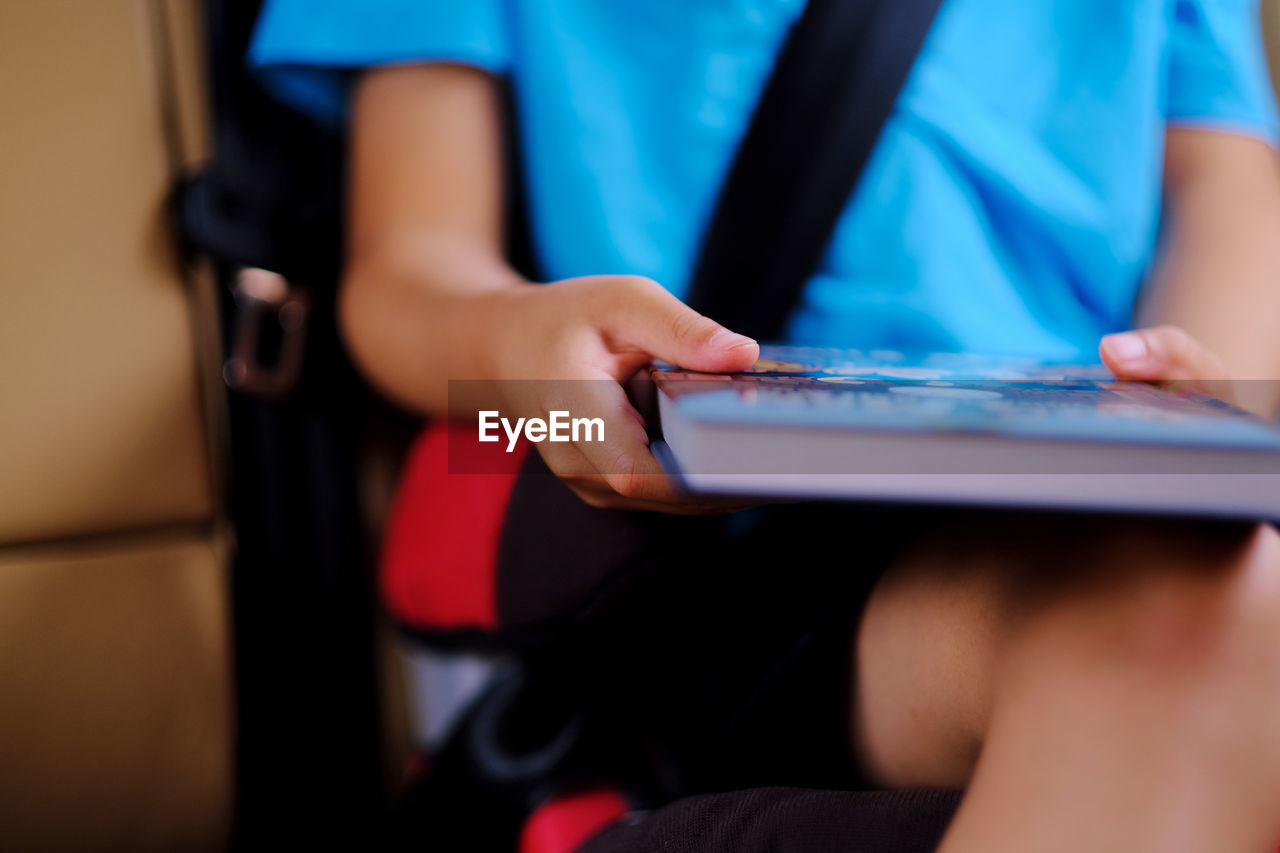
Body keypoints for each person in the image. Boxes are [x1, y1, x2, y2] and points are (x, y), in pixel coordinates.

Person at [251, 1, 1280, 849]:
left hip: (1065, 495)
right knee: (1183, 615)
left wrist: (1191, 409)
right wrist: (513, 341)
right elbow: (403, 273)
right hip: (727, 555)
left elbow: (1224, 207)